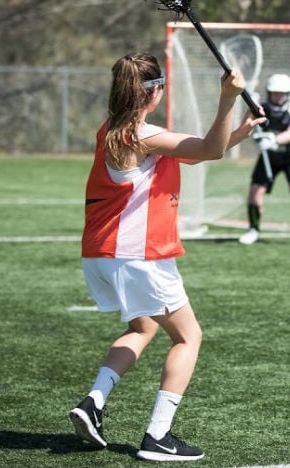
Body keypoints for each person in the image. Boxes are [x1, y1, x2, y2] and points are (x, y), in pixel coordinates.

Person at [69, 53, 265, 462]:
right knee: (188, 336)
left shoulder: (111, 131)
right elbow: (207, 150)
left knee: (142, 328)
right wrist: (228, 98)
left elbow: (193, 152)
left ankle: (93, 402)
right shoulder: (144, 135)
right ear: (153, 93)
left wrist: (240, 132)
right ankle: (158, 436)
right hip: (138, 255)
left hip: (101, 254)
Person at [238, 73, 290, 246]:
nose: (278, 97)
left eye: (282, 93)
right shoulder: (261, 109)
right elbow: (247, 128)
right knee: (255, 191)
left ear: (289, 94)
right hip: (269, 158)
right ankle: (253, 229)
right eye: (275, 93)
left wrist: (273, 140)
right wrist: (253, 126)